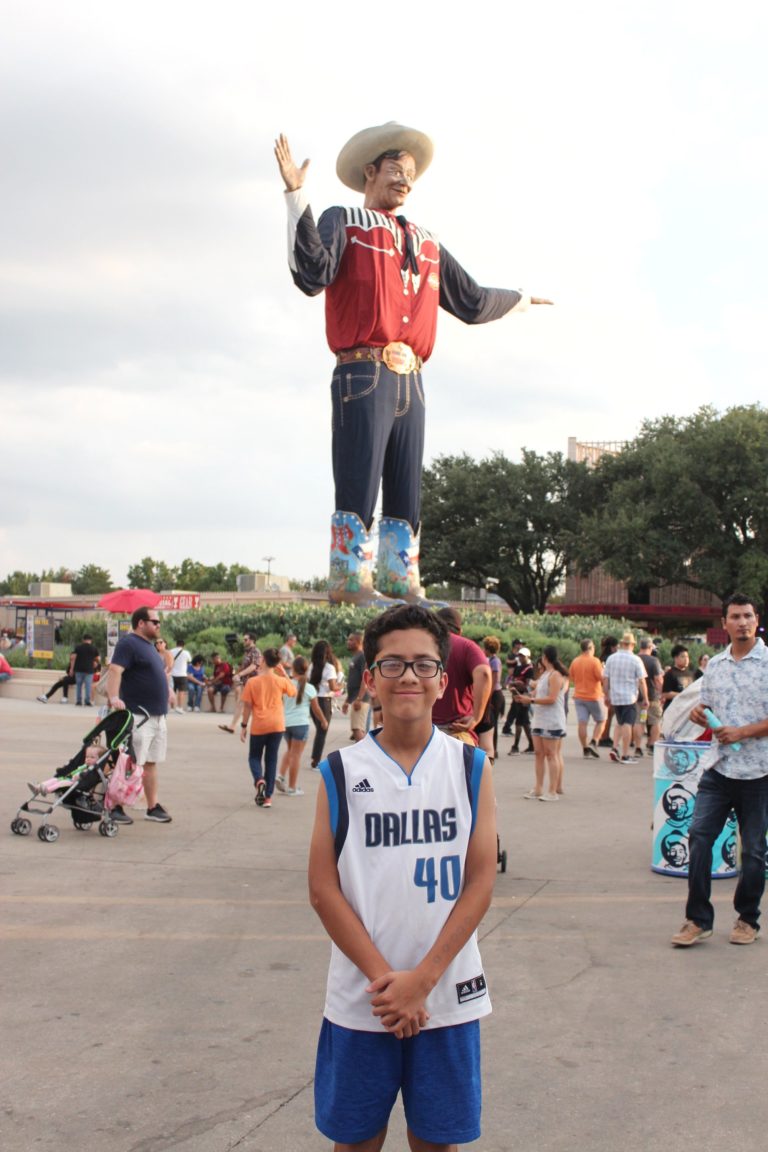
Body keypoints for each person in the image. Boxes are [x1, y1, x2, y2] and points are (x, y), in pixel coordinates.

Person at [275, 124, 551, 605]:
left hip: (413, 379)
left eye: (410, 175)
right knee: (359, 475)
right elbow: (312, 272)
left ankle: (402, 580)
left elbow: (471, 299)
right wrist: (297, 195)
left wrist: (522, 299)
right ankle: (349, 582)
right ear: (369, 172)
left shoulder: (426, 242)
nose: (404, 180)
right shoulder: (346, 221)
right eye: (395, 171)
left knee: (406, 484)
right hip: (363, 370)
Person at [308, 604, 497, 1150]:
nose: (408, 675)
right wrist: (389, 984)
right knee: (356, 1139)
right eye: (392, 664)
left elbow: (480, 883)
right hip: (364, 999)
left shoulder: (470, 768)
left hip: (448, 996)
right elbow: (323, 890)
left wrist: (424, 980)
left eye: (423, 664)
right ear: (369, 679)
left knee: (437, 1142)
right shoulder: (340, 772)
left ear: (443, 679)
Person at [671, 593, 768, 948]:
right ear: (724, 623)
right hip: (719, 769)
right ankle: (698, 919)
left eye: (747, 615)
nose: (742, 622)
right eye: (735, 616)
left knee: (754, 851)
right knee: (699, 839)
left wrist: (743, 732)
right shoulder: (716, 666)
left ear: (757, 620)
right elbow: (706, 706)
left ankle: (747, 918)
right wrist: (699, 714)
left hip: (759, 773)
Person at [106, 606, 173, 824]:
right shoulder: (128, 643)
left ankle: (152, 807)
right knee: (129, 762)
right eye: (155, 621)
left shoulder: (149, 647)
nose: (158, 625)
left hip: (157, 716)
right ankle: (115, 805)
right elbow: (115, 670)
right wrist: (114, 697)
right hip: (138, 716)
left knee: (151, 762)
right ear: (141, 623)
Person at [240, 648, 297, 808]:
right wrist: (284, 673)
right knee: (271, 759)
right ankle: (268, 798)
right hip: (277, 725)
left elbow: (247, 707)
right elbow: (293, 692)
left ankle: (259, 780)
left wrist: (244, 726)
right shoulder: (280, 680)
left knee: (254, 757)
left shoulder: (253, 682)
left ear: (263, 661)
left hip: (259, 725)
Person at [431, 607, 492, 755]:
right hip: (456, 733)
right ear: (460, 629)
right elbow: (484, 673)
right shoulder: (466, 646)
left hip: (423, 735)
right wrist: (476, 717)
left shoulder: (421, 645)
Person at [518, 646, 568, 801]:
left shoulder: (555, 675)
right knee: (539, 754)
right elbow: (537, 693)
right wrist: (523, 697)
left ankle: (552, 791)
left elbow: (552, 698)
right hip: (539, 719)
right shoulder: (545, 674)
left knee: (551, 754)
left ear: (546, 657)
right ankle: (538, 788)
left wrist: (531, 700)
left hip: (552, 720)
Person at [277, 655, 327, 796]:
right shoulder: (309, 688)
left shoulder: (286, 684)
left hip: (286, 724)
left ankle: (280, 775)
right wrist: (323, 720)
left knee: (291, 750)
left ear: (293, 669)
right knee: (296, 756)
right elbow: (316, 709)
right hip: (301, 724)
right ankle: (292, 788)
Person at [602, 632, 648, 765]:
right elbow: (641, 681)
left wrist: (606, 695)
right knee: (628, 724)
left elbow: (606, 679)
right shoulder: (635, 659)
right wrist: (645, 698)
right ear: (632, 645)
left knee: (619, 722)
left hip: (615, 697)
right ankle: (625, 754)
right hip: (629, 697)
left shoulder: (611, 658)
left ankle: (615, 747)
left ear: (621, 644)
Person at [568, 639, 606, 758]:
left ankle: (585, 748)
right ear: (590, 648)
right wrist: (603, 669)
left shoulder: (575, 661)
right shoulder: (595, 661)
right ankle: (594, 741)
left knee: (582, 722)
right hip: (594, 695)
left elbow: (571, 677)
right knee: (602, 720)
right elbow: (601, 678)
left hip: (579, 695)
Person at [219, 633, 261, 733]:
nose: (244, 641)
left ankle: (256, 728)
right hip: (247, 682)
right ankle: (233, 726)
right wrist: (238, 674)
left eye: (246, 639)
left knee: (251, 705)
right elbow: (246, 666)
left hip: (253, 682)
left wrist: (239, 674)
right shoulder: (247, 652)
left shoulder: (255, 651)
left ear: (252, 640)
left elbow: (254, 666)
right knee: (241, 703)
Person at [28, 742, 105, 796]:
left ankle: (46, 790)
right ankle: (38, 787)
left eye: (92, 757)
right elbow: (76, 771)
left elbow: (84, 776)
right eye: (87, 757)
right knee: (54, 779)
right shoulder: (85, 766)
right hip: (69, 779)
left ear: (99, 759)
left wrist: (80, 775)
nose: (88, 759)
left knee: (61, 784)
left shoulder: (93, 770)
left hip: (76, 784)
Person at [309, 641, 339, 769]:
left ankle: (315, 759)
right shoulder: (329, 668)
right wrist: (341, 685)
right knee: (322, 732)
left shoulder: (311, 666)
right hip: (325, 702)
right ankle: (316, 761)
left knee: (319, 731)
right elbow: (333, 687)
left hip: (313, 700)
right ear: (327, 653)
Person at [635, 638, 664, 756]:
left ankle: (637, 747)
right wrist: (661, 693)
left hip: (637, 697)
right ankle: (652, 745)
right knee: (655, 721)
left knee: (639, 721)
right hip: (652, 697)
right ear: (650, 647)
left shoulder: (634, 659)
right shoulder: (654, 661)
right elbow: (658, 680)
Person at [505, 646, 535, 755]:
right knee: (525, 723)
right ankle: (532, 745)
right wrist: (513, 685)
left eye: (522, 656)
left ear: (527, 656)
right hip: (516, 697)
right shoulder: (518, 668)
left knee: (519, 722)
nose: (520, 658)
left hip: (524, 698)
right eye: (520, 656)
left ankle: (515, 746)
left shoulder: (530, 669)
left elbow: (527, 685)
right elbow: (513, 680)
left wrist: (518, 685)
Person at [342, 631, 369, 743]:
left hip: (360, 699)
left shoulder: (362, 656)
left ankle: (365, 756)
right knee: (356, 729)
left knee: (357, 729)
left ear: (359, 642)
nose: (348, 642)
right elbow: (354, 680)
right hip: (355, 698)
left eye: (351, 640)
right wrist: (348, 700)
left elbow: (365, 678)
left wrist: (359, 698)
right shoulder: (356, 657)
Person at [482, 636, 506, 759]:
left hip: (495, 694)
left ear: (488, 648)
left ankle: (494, 749)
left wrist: (488, 695)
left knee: (492, 722)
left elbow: (495, 679)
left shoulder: (495, 661)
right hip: (494, 693)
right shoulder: (490, 660)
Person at [662, 644, 693, 711]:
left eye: (687, 657)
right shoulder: (670, 673)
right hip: (673, 710)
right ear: (676, 658)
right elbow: (665, 694)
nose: (686, 659)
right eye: (683, 657)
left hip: (687, 709)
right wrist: (683, 695)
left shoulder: (690, 673)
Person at [73, 634, 99, 706]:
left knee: (79, 686)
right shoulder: (94, 648)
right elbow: (98, 658)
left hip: (78, 669)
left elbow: (73, 658)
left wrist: (72, 669)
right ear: (91, 640)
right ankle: (87, 701)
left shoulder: (78, 647)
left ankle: (78, 701)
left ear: (83, 640)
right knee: (88, 686)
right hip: (89, 670)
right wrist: (95, 663)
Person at [169, 639, 192, 715]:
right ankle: (179, 707)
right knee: (181, 691)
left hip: (172, 674)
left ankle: (172, 707)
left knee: (172, 691)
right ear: (183, 645)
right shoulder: (186, 653)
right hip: (182, 674)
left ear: (176, 644)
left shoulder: (171, 651)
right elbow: (189, 661)